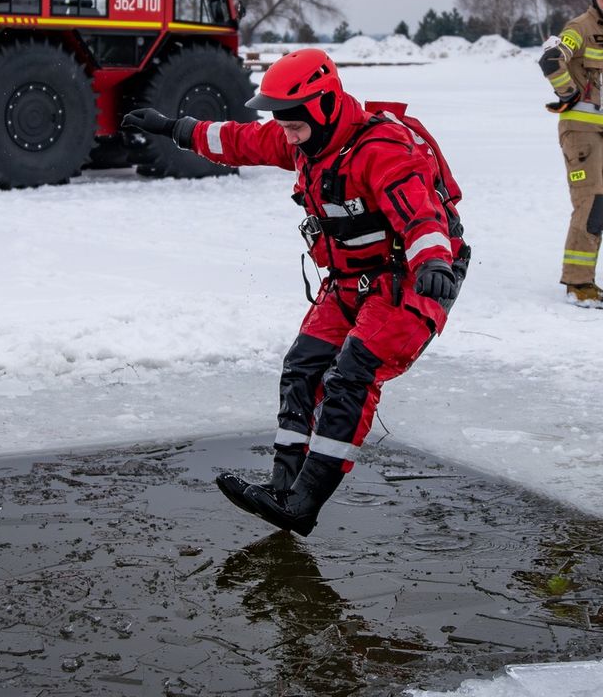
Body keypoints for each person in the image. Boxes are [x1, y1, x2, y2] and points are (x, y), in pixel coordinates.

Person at [120, 49, 469, 536]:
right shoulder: (306, 141)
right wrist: (172, 128)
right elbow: (239, 140)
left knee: (351, 375)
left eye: (295, 125)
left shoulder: (381, 148)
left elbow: (421, 214)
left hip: (414, 276)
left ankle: (304, 502)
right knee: (302, 365)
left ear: (324, 108)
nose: (287, 136)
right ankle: (282, 487)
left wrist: (433, 260)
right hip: (351, 279)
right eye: (282, 125)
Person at [539, 0, 603, 309]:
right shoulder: (579, 28)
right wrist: (568, 92)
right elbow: (550, 60)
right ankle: (578, 284)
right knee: (589, 205)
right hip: (580, 133)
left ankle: (586, 279)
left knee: (600, 207)